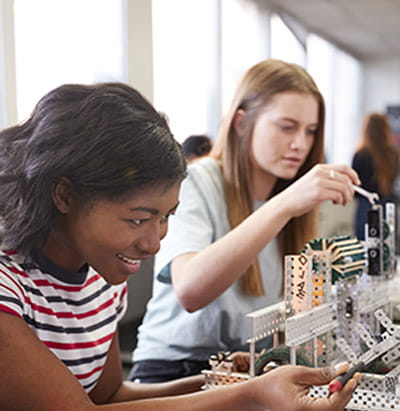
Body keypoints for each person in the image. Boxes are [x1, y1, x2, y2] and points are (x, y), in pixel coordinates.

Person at [0, 82, 361, 411]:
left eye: (166, 217)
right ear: (64, 195)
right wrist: (253, 396)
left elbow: (109, 399)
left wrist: (228, 383)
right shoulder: (9, 284)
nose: (154, 243)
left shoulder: (97, 277)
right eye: (138, 219)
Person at [130, 59, 360, 383]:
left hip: (249, 369)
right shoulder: (197, 181)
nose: (300, 144)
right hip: (175, 372)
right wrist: (283, 206)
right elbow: (190, 291)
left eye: (310, 131)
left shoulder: (292, 205)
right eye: (286, 127)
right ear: (241, 122)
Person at [352, 112, 399, 240]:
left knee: (366, 247)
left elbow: (355, 187)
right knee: (388, 248)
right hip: (389, 206)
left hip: (366, 207)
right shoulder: (393, 155)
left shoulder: (360, 155)